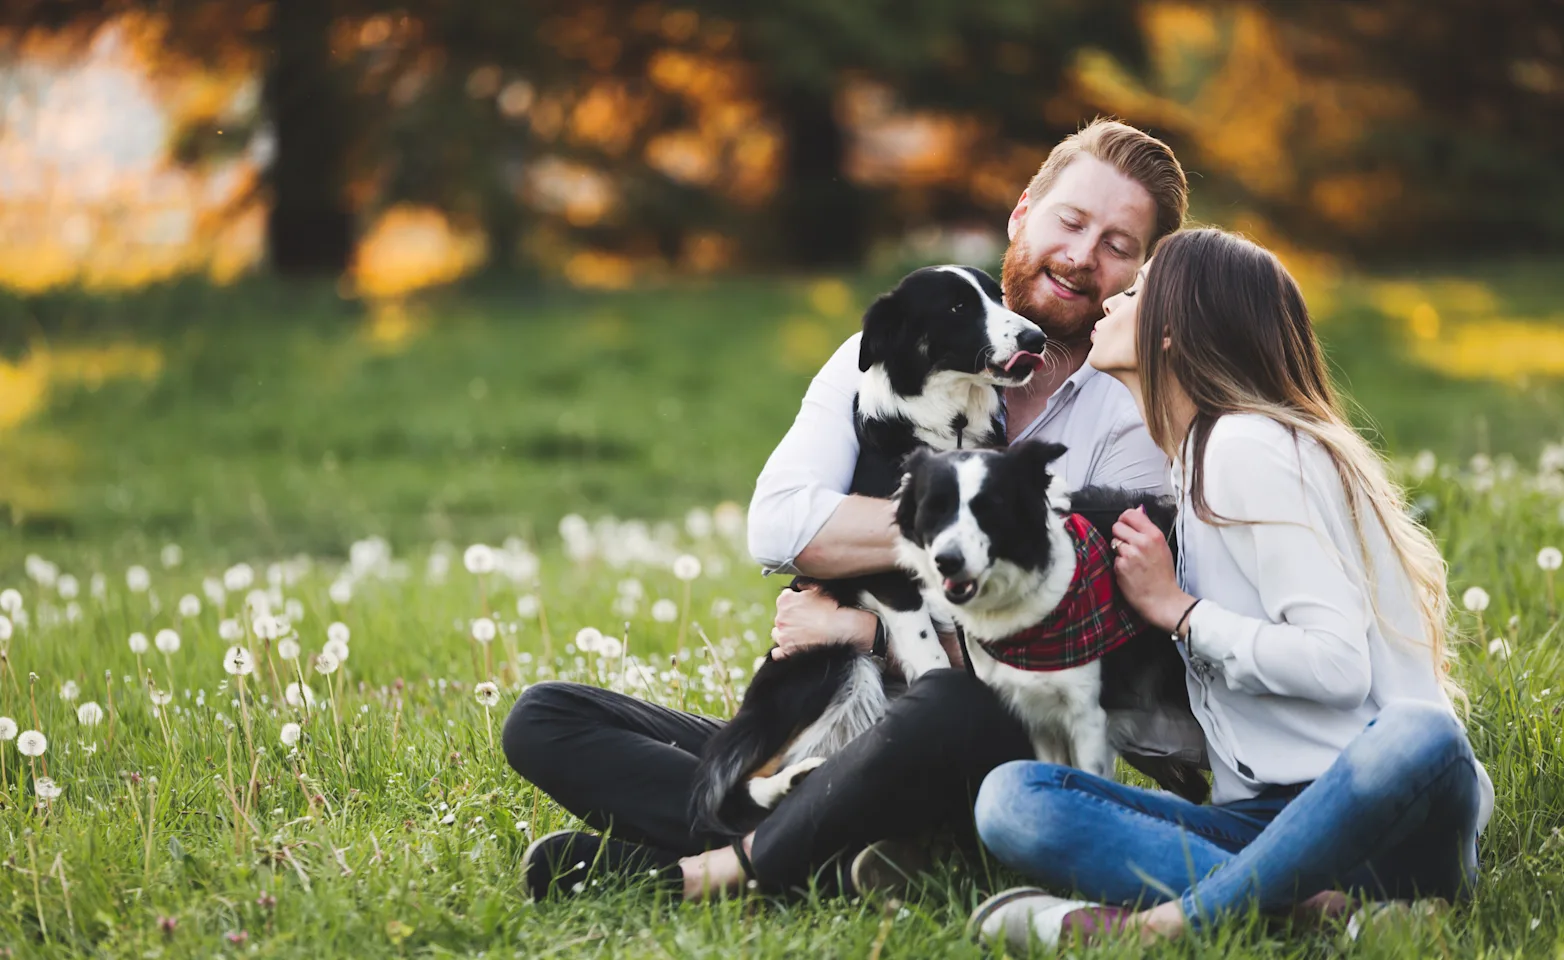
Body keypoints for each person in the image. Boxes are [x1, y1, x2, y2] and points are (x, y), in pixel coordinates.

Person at [503, 119, 1190, 901]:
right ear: (1023, 213)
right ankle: (827, 854)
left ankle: (713, 871)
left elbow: (1077, 632)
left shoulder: (1130, 418)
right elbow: (782, 525)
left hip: (976, 735)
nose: (1081, 256)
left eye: (1118, 244)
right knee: (545, 718)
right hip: (834, 725)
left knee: (947, 706)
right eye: (1071, 222)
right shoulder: (899, 346)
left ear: (1143, 270)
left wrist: (865, 626)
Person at [967, 228, 1496, 950]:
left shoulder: (1248, 446)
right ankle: (1312, 910)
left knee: (1422, 734)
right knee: (1014, 800)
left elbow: (1338, 667)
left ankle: (1166, 926)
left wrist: (1180, 612)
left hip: (1384, 816)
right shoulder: (1189, 465)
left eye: (1138, 288)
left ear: (1171, 334)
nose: (1114, 298)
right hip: (1269, 823)